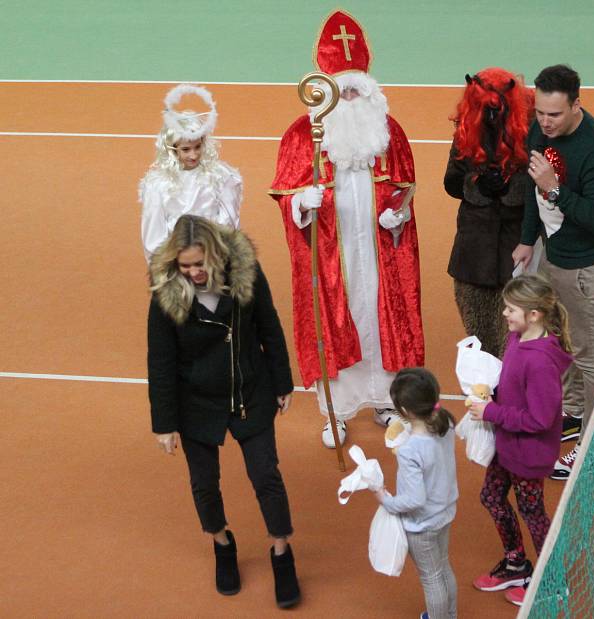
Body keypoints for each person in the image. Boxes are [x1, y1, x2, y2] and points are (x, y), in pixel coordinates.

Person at [269, 10, 424, 448]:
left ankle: (388, 400)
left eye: (358, 89)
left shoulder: (388, 133)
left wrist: (399, 217)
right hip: (333, 259)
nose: (352, 98)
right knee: (335, 321)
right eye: (345, 90)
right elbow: (285, 195)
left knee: (380, 319)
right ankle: (334, 411)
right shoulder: (304, 136)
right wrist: (301, 202)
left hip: (379, 256)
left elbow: (404, 187)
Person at [147, 215, 300, 608]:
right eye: (186, 266)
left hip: (249, 391)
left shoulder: (246, 274)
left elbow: (269, 325)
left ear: (215, 255)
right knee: (204, 483)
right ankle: (222, 543)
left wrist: (282, 381)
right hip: (195, 402)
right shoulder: (165, 293)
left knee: (266, 475)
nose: (194, 272)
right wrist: (164, 424)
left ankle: (282, 554)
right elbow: (160, 362)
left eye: (200, 264)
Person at [511, 64, 594, 478]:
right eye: (540, 112)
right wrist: (528, 238)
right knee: (566, 341)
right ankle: (575, 413)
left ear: (577, 104)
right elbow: (531, 188)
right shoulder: (541, 130)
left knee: (592, 355)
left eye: (554, 114)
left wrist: (555, 188)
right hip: (557, 259)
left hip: (592, 266)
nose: (544, 122)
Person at [468, 274, 573, 607]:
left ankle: (552, 578)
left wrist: (491, 412)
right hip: (507, 443)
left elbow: (540, 419)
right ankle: (516, 564)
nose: (504, 314)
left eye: (511, 309)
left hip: (529, 454)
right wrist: (488, 393)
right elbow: (510, 385)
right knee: (491, 497)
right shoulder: (517, 338)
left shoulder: (541, 361)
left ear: (534, 315)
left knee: (533, 513)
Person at [444, 67, 534, 358]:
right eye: (487, 110)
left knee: (515, 336)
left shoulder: (532, 133)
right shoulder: (464, 133)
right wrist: (477, 184)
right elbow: (452, 182)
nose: (493, 117)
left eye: (499, 110)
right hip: (474, 252)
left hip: (514, 249)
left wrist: (510, 185)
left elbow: (540, 186)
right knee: (479, 335)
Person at [373, 368, 458, 619]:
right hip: (444, 512)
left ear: (406, 412)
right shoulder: (446, 423)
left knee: (431, 578)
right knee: (443, 566)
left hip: (423, 524)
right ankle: (450, 615)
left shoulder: (410, 450)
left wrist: (385, 499)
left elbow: (413, 499)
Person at [139, 83, 241, 262]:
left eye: (197, 147)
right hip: (176, 261)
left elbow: (228, 223)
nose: (193, 155)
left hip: (212, 258)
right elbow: (154, 235)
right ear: (173, 150)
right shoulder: (157, 185)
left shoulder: (221, 177)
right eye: (186, 149)